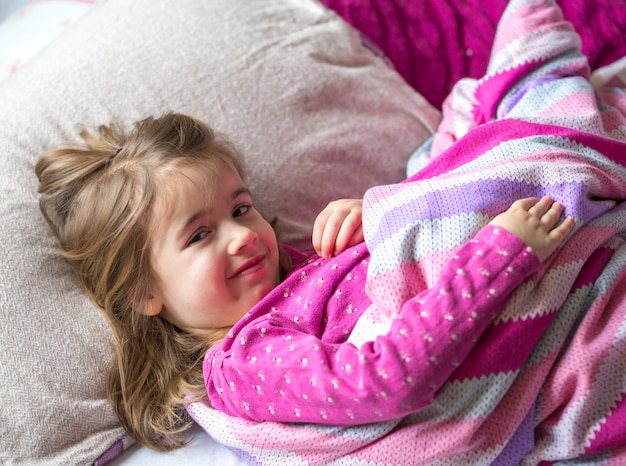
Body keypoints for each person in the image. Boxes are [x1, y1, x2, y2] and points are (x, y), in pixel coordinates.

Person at [35, 112, 574, 451]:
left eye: (241, 209)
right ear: (143, 293)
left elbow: (388, 264)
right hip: (545, 337)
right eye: (199, 236)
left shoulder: (300, 270)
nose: (242, 236)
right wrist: (500, 256)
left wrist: (380, 213)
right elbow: (387, 380)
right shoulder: (244, 361)